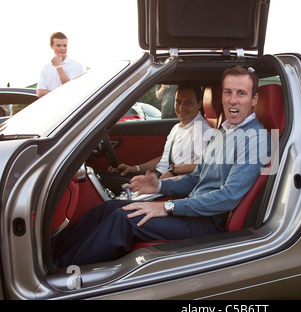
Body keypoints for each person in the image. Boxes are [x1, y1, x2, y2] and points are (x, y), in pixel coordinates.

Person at [52, 66, 271, 267]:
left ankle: (61, 272)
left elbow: (229, 196)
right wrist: (158, 188)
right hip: (192, 209)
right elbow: (196, 178)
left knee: (124, 220)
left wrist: (167, 207)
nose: (233, 100)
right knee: (109, 208)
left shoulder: (257, 138)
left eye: (241, 93)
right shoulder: (224, 131)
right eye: (228, 92)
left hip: (209, 222)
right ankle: (51, 253)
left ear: (254, 99)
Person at [99, 82, 213, 195]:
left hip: (168, 184)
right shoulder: (177, 127)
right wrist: (136, 168)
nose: (181, 107)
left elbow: (201, 167)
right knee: (101, 175)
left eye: (188, 103)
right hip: (158, 176)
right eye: (178, 101)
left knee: (102, 181)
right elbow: (164, 159)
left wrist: (161, 182)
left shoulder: (202, 130)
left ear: (199, 104)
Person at [37, 32, 83, 98]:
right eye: (58, 45)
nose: (62, 48)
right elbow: (40, 93)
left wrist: (58, 66)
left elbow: (70, 89)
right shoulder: (45, 68)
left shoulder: (76, 65)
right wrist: (62, 94)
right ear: (51, 46)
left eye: (65, 45)